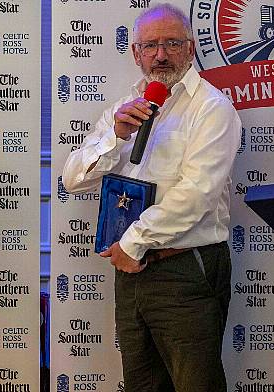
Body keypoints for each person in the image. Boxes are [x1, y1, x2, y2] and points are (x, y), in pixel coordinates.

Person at [62, 4, 241, 391]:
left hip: (184, 269)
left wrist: (132, 243)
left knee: (197, 384)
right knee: (142, 384)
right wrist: (115, 136)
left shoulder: (212, 108)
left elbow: (197, 195)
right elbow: (73, 179)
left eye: (172, 43)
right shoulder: (121, 109)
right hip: (130, 272)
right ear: (136, 53)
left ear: (191, 49)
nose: (161, 54)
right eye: (151, 45)